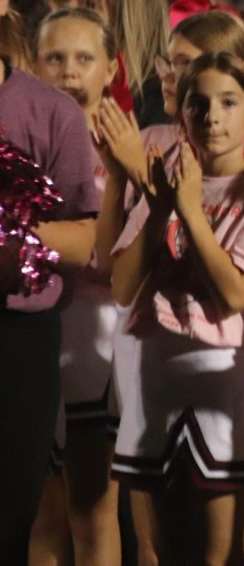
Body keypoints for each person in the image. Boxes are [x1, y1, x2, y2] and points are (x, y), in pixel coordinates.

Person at [110, 52, 244, 564]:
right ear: (182, 116)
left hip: (218, 378)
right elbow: (123, 287)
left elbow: (235, 295)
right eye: (199, 103)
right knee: (159, 550)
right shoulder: (164, 182)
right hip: (153, 373)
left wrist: (189, 209)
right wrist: (163, 206)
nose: (213, 115)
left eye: (230, 102)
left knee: (218, 555)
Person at [0, 28, 99, 561]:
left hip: (21, 334)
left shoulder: (52, 110)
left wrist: (9, 234)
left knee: (12, 516)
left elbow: (83, 242)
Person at [32, 9, 123, 565]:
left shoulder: (129, 147)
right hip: (34, 333)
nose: (69, 72)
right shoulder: (17, 137)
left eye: (85, 58)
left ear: (111, 68)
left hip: (99, 338)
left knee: (93, 508)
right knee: (41, 511)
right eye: (55, 58)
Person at [79, 0, 171, 128]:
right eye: (79, 2)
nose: (75, 13)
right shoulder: (73, 82)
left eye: (90, 5)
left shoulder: (160, 103)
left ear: (126, 19)